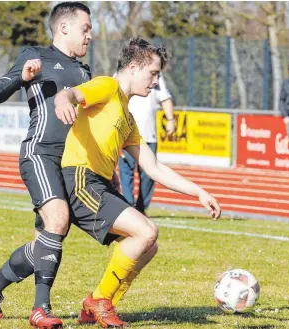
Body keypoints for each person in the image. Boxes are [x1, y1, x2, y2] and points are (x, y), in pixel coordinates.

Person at [54, 37, 222, 328]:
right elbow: (69, 95)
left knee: (148, 245)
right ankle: (100, 301)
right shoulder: (107, 86)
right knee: (146, 230)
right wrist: (63, 101)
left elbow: (153, 167)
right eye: (153, 74)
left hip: (100, 183)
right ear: (133, 67)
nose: (156, 82)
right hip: (80, 178)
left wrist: (199, 192)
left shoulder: (127, 117)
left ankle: (96, 303)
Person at [0, 3, 92, 329]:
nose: (90, 35)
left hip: (71, 162)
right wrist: (21, 78)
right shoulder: (34, 54)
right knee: (58, 220)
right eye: (86, 28)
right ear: (64, 27)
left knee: (52, 235)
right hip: (39, 154)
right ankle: (41, 309)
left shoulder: (85, 72)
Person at [119, 73, 175, 215]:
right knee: (126, 173)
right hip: (126, 136)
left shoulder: (157, 77)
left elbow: (165, 98)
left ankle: (141, 208)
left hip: (149, 136)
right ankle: (128, 207)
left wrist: (171, 120)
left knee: (149, 174)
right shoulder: (122, 74)